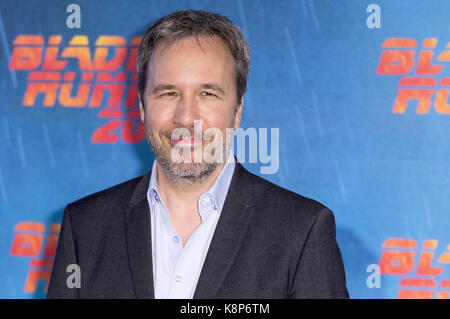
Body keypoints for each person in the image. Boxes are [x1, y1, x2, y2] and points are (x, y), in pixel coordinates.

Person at [47, 9, 349, 299]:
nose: (186, 117)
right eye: (168, 93)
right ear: (141, 106)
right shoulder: (85, 228)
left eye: (207, 94)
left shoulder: (302, 230)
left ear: (238, 109)